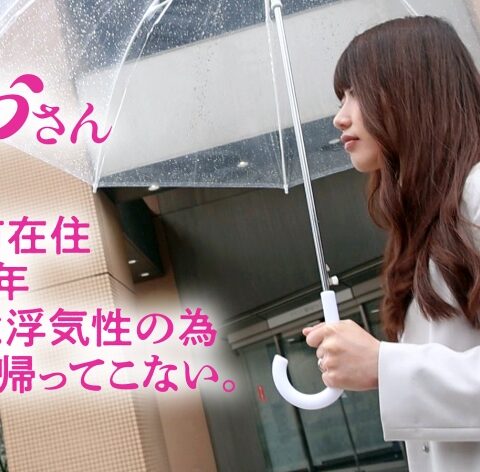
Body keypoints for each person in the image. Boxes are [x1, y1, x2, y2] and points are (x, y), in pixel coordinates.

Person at [302, 16, 480, 472]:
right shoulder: (427, 225)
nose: (340, 116)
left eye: (356, 93)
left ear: (411, 90)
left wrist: (384, 365)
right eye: (341, 97)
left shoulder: (477, 194)